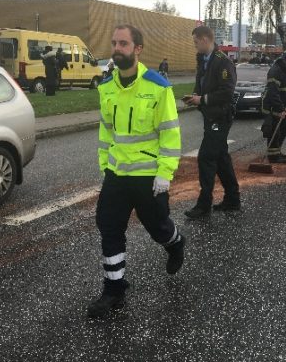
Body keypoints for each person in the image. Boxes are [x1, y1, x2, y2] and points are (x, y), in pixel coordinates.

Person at [88, 24, 185, 319]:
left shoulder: (158, 86)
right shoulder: (106, 87)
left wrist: (165, 174)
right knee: (109, 226)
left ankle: (176, 243)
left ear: (138, 49)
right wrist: (105, 164)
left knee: (158, 228)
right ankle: (114, 289)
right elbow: (106, 130)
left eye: (123, 44)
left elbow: (170, 134)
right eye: (114, 43)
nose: (117, 49)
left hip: (148, 176)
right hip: (117, 174)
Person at [184, 26, 240, 218]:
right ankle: (233, 199)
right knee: (221, 158)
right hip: (210, 115)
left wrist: (203, 99)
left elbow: (227, 92)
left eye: (196, 42)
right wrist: (195, 95)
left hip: (220, 117)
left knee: (206, 157)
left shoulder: (222, 62)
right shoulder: (203, 60)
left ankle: (203, 205)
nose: (195, 46)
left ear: (206, 39)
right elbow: (201, 83)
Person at [261, 48, 286, 163]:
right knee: (274, 131)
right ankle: (273, 157)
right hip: (272, 106)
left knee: (284, 130)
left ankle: (277, 151)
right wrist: (281, 109)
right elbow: (273, 93)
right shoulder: (275, 71)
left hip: (282, 105)